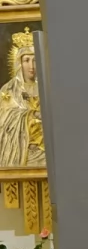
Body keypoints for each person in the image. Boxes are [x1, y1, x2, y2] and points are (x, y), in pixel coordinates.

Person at [0, 28, 46, 168]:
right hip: (21, 151)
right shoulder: (9, 90)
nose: (31, 66)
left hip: (46, 151)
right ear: (19, 63)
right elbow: (4, 120)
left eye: (35, 60)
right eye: (26, 60)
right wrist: (32, 115)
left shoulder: (48, 87)